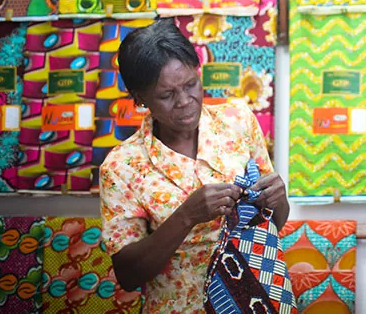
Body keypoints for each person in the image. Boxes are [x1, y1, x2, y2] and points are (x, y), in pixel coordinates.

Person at [99, 19, 290, 313]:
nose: (185, 101)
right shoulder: (122, 167)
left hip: (255, 301)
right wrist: (186, 217)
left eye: (191, 84)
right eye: (166, 95)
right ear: (140, 98)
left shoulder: (237, 122)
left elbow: (273, 223)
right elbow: (128, 275)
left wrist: (278, 197)